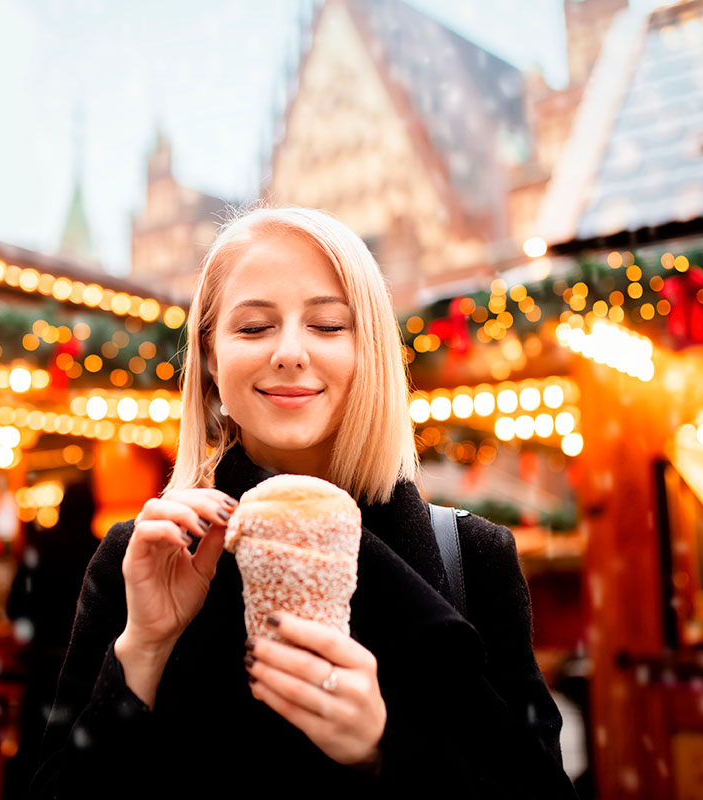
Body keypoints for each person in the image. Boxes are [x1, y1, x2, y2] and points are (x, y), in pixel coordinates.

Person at [32, 207, 576, 796]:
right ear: (210, 357)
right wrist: (142, 650)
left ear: (368, 350)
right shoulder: (142, 558)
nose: (290, 352)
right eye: (254, 327)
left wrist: (387, 748)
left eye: (327, 325)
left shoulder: (468, 556)